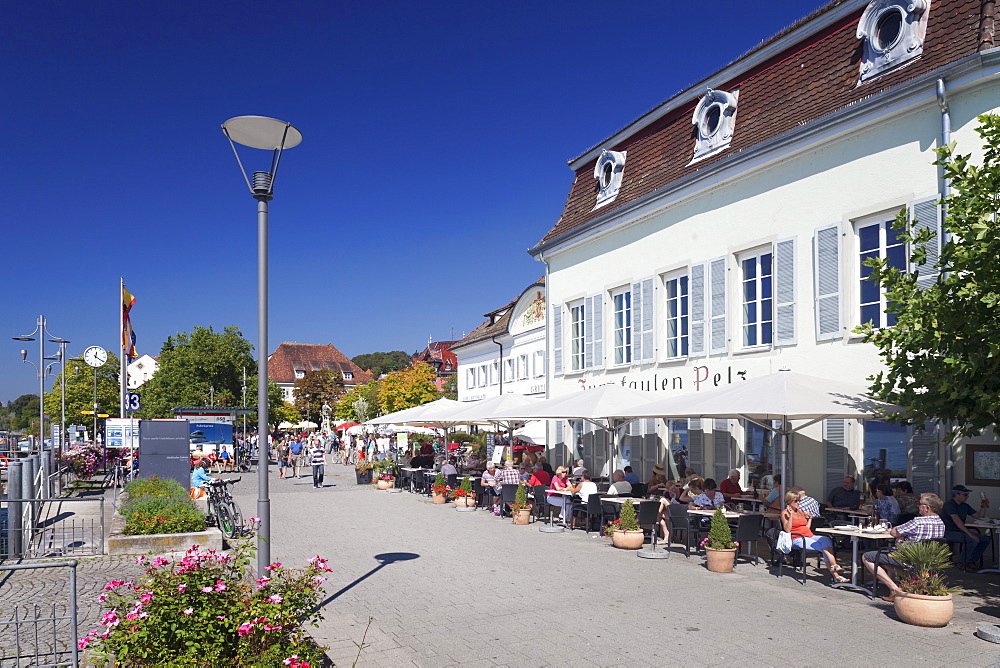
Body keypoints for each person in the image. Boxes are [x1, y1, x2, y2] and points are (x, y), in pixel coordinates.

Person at [863, 493, 946, 601]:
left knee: (868, 557)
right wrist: (905, 536)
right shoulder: (941, 523)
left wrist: (902, 535)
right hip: (929, 560)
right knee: (882, 559)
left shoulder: (918, 521)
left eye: (919, 504)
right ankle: (914, 578)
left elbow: (893, 532)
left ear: (927, 508)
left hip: (909, 558)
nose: (918, 506)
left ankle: (894, 589)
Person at [781, 490, 847, 582]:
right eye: (795, 501)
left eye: (799, 500)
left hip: (808, 535)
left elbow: (806, 527)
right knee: (823, 547)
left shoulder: (800, 511)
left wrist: (810, 518)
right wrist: (791, 515)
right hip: (797, 538)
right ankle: (835, 572)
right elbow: (787, 529)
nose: (798, 503)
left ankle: (835, 570)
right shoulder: (785, 513)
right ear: (789, 502)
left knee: (825, 540)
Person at [940, 484, 991, 568]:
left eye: (967, 495)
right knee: (972, 540)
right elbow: (956, 520)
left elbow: (979, 516)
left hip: (960, 531)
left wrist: (983, 506)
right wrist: (970, 534)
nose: (967, 497)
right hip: (949, 531)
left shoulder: (965, 506)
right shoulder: (949, 504)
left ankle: (971, 560)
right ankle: (962, 563)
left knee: (985, 540)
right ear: (956, 495)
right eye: (965, 495)